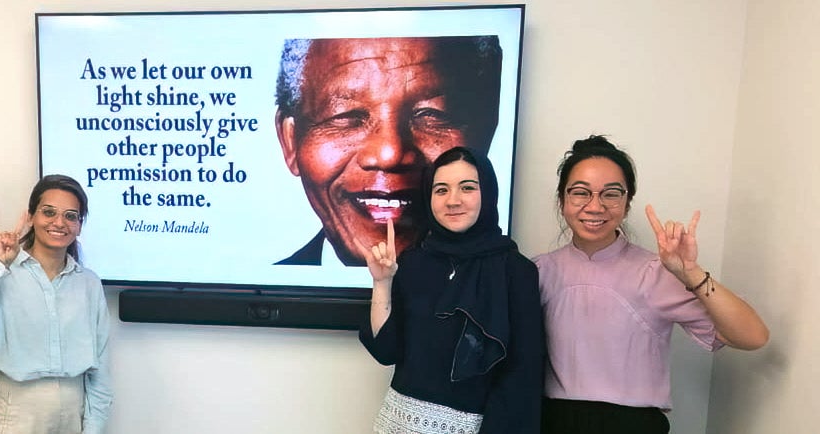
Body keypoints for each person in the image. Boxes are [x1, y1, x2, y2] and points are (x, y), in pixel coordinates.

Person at [536, 135, 770, 434]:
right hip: (554, 422)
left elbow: (753, 336)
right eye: (581, 193)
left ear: (627, 202)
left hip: (633, 426)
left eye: (611, 194)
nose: (595, 206)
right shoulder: (539, 271)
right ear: (562, 200)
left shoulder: (655, 272)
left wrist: (691, 272)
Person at [358, 147, 544, 433]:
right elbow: (385, 351)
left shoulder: (516, 272)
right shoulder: (413, 261)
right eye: (441, 190)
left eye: (467, 188)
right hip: (398, 424)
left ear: (488, 192)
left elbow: (522, 376)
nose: (453, 200)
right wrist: (382, 283)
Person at [274, 36, 503, 266]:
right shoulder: (275, 283)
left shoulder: (506, 277)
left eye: (431, 115)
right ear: (290, 140)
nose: (389, 154)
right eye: (346, 117)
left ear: (487, 127)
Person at [0, 174, 113, 434]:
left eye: (71, 216)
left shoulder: (88, 283)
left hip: (75, 410)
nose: (59, 223)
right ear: (31, 216)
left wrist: (93, 428)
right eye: (48, 212)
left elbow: (101, 367)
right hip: (17, 409)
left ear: (80, 225)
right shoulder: (1, 274)